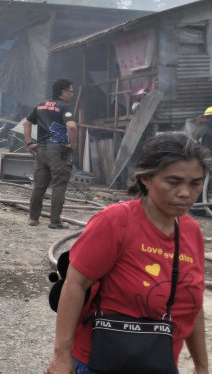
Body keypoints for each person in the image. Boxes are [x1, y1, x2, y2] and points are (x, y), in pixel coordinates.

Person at [47, 133, 210, 374]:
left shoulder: (191, 231)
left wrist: (201, 366)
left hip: (158, 362)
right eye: (173, 182)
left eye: (195, 183)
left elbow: (192, 304)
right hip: (101, 361)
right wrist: (61, 355)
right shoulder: (116, 221)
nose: (186, 192)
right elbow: (76, 284)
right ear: (146, 178)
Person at [23, 78, 77, 229]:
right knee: (59, 186)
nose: (72, 94)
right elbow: (72, 127)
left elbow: (26, 123)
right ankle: (55, 221)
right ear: (63, 92)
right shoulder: (64, 107)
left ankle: (33, 219)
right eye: (71, 91)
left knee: (39, 186)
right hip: (58, 152)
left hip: (41, 150)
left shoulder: (40, 105)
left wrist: (29, 143)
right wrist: (73, 144)